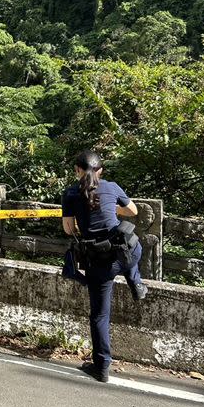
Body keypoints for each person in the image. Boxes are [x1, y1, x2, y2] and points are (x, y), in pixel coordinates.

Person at [61, 150, 148, 382]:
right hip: (125, 254)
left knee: (100, 315)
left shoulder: (70, 193)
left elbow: (68, 229)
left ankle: (101, 367)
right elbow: (133, 211)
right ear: (101, 171)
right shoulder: (112, 186)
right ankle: (136, 282)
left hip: (100, 263)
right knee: (129, 245)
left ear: (77, 171)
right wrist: (112, 210)